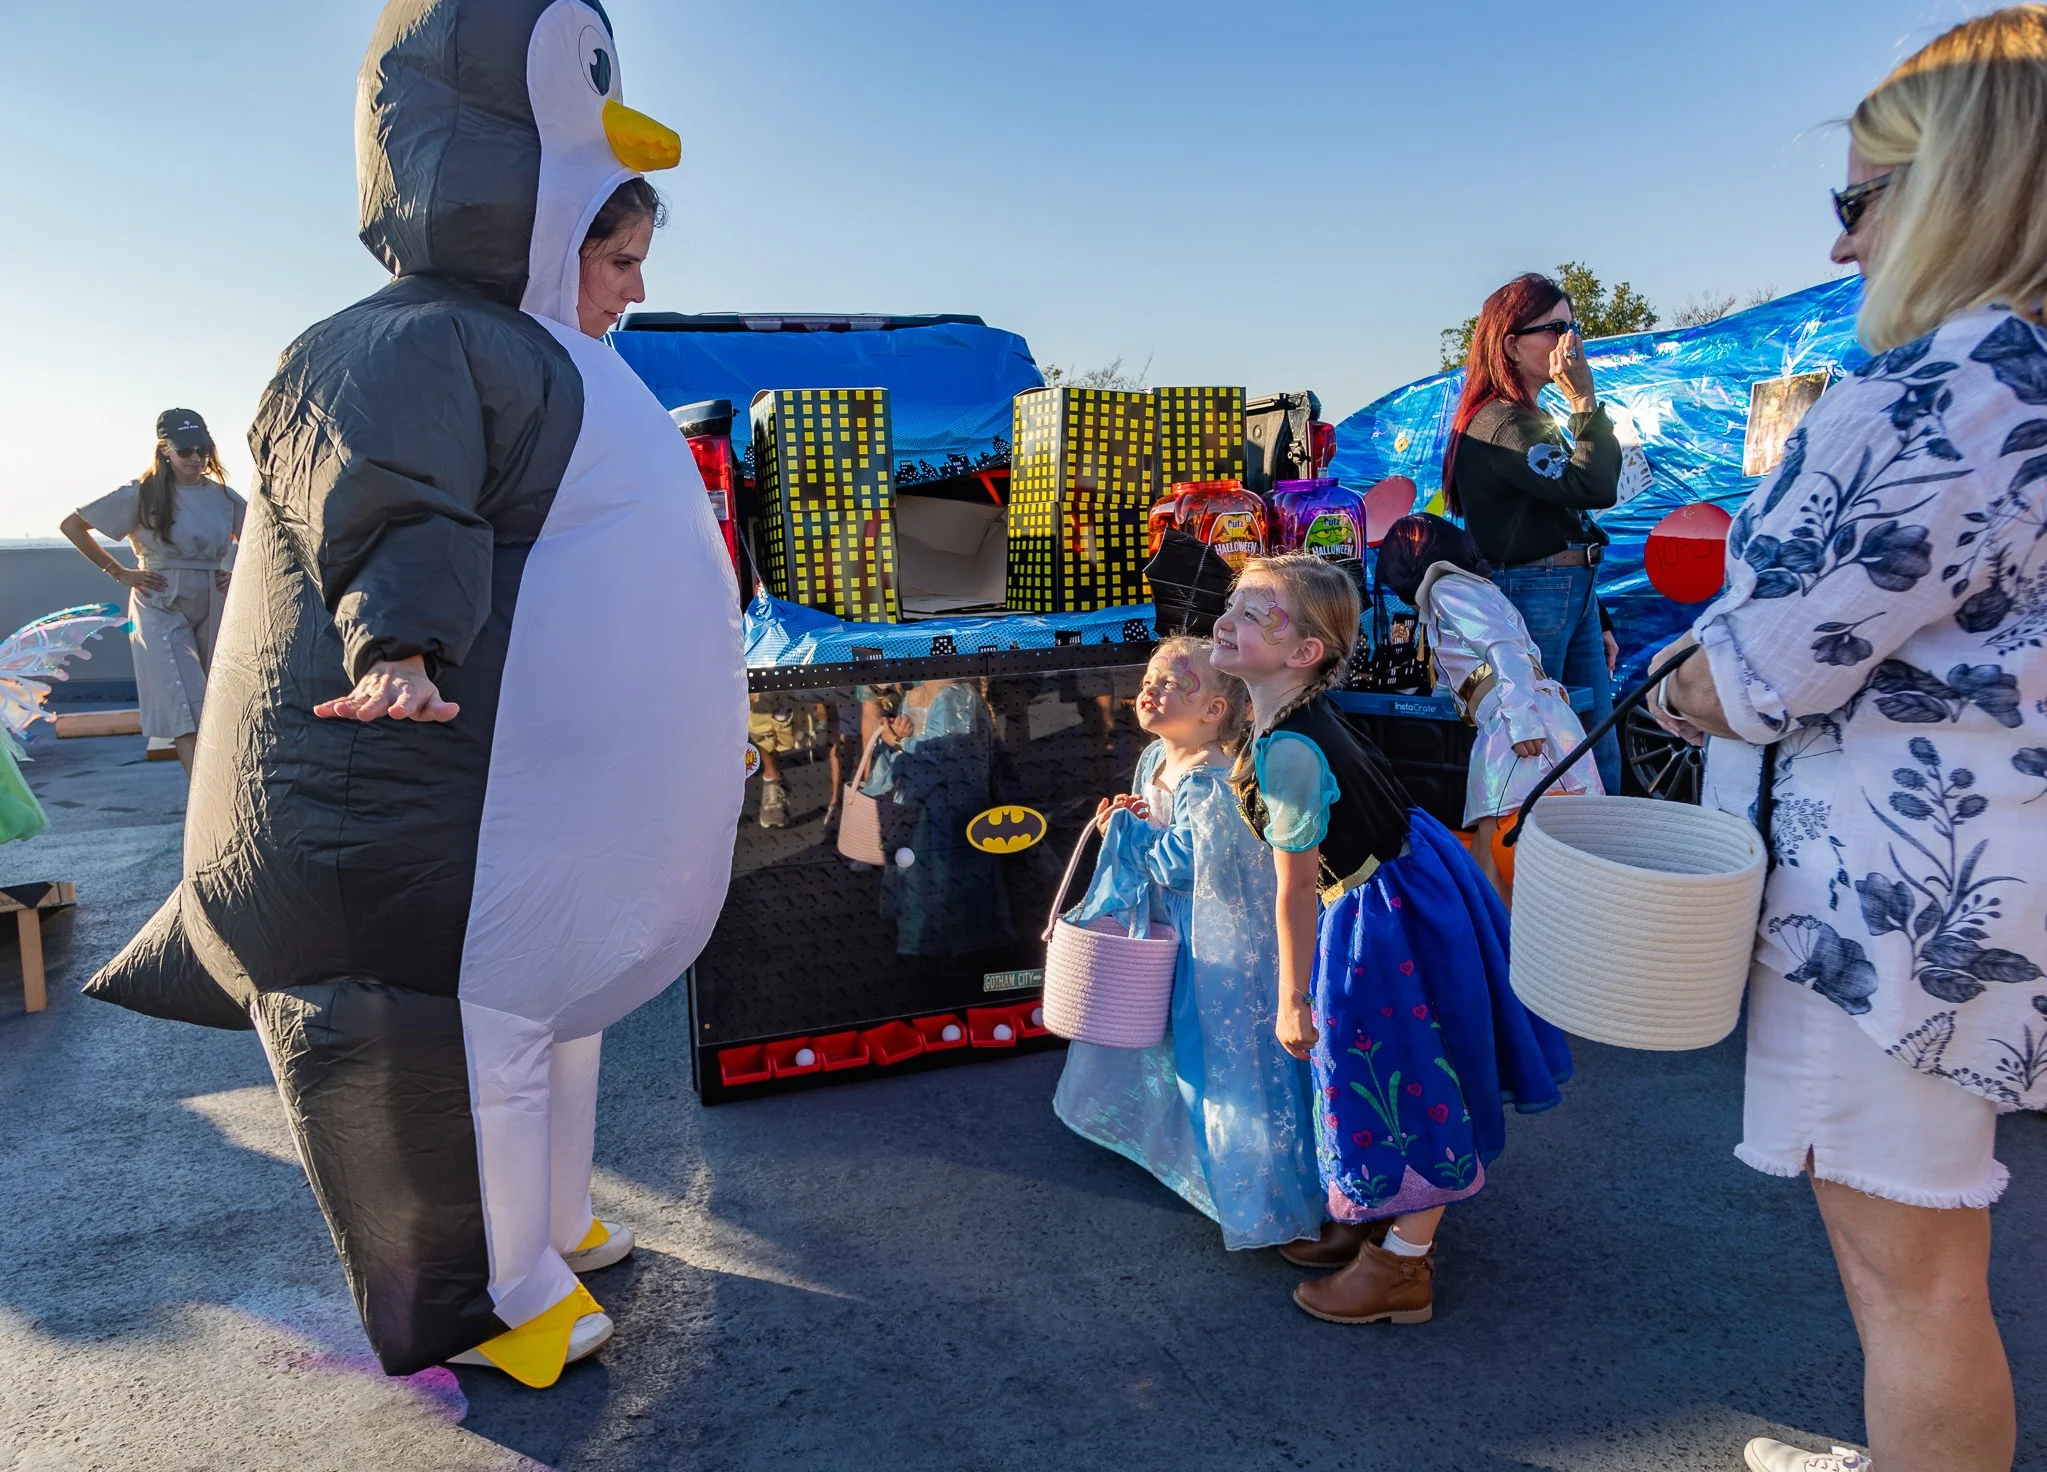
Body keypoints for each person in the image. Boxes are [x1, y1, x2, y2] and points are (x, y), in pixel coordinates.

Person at [86, 0, 746, 1390]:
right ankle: (485, 1296)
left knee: (540, 1033)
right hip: (399, 852)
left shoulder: (562, 361)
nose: (630, 289)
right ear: (543, 220)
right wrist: (400, 646)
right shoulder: (403, 342)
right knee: (463, 1045)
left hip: (509, 852)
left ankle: (551, 1224)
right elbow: (388, 497)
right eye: (615, 259)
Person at [1649, 11, 2047, 1469]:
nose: (1840, 246)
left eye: (1855, 199)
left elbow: (1763, 669)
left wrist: (1677, 689)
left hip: (1898, 902)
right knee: (1924, 1257)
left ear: (1957, 182)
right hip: (1987, 877)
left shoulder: (1940, 385)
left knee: (1910, 1278)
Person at [1209, 554, 1573, 1323]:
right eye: (1232, 605)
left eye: (1251, 614)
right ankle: (1373, 1218)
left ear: (1304, 654)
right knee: (1401, 1067)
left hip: (1377, 920)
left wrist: (1292, 998)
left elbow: (1294, 887)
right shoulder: (1291, 717)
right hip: (1405, 888)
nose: (1225, 621)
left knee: (1407, 1073)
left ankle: (1405, 1261)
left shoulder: (1288, 749)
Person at [1052, 636, 1324, 1251]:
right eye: (1152, 677)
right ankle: (1191, 1162)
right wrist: (1129, 817)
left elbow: (1182, 864)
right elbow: (1154, 835)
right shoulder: (1155, 759)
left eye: (1177, 683)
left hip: (1214, 943)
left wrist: (1127, 829)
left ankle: (1269, 1199)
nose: (1154, 689)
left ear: (1214, 713)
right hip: (1171, 928)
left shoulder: (1212, 781)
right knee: (1170, 1047)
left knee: (1221, 1059)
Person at [1442, 274, 1624, 793]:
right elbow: (1593, 485)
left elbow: (1565, 514)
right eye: (1555, 328)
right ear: (1510, 344)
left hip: (1567, 589)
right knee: (1548, 747)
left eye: (1574, 327)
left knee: (1593, 745)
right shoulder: (1504, 423)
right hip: (1535, 591)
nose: (1571, 342)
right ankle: (1546, 865)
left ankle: (1602, 860)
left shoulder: (1525, 418)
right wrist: (1585, 401)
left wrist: (1600, 613)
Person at [1374, 513, 1602, 896]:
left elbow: (1502, 647)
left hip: (1518, 726)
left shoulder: (1448, 590)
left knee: (1505, 856)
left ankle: (1504, 951)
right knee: (1494, 853)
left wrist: (1520, 721)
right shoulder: (1462, 591)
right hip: (1514, 722)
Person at [59, 410, 244, 775]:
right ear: (165, 450)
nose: (196, 458)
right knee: (186, 702)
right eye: (186, 449)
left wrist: (232, 572)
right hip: (159, 599)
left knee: (220, 700)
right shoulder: (141, 494)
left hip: (214, 597)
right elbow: (72, 525)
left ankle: (227, 790)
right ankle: (201, 800)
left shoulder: (223, 496)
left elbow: (259, 538)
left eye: (203, 449)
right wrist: (118, 571)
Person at [863, 677, 1012, 956]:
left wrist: (896, 741)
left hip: (950, 810)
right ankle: (935, 947)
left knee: (946, 879)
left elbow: (946, 760)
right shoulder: (914, 694)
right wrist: (897, 737)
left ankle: (952, 951)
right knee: (928, 879)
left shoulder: (954, 696)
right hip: (923, 807)